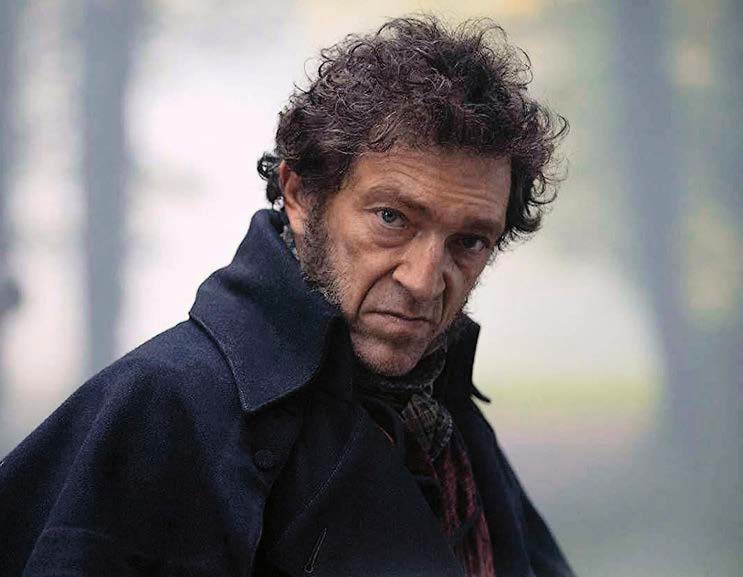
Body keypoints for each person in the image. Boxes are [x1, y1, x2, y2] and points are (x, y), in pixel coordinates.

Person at [0, 16, 574, 577]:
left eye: (468, 241)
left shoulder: (443, 416)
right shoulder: (165, 406)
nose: (424, 281)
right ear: (300, 196)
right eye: (392, 218)